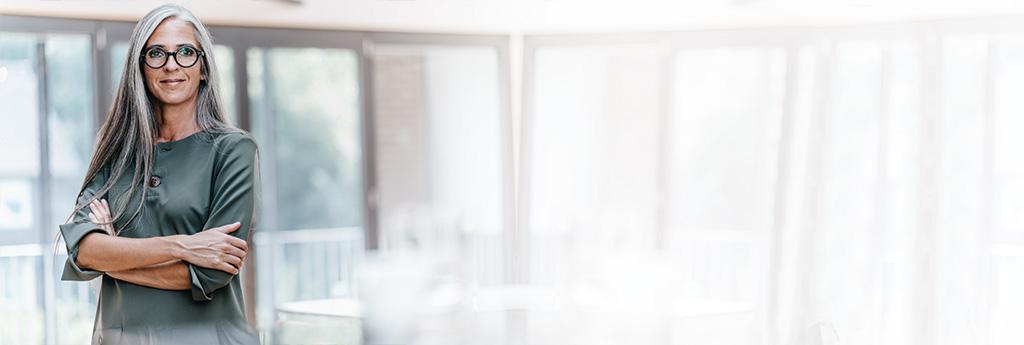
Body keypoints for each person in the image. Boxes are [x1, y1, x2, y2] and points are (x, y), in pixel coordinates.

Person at [58, 4, 260, 345]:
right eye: (156, 53)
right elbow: (83, 251)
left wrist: (114, 254)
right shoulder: (116, 149)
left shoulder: (233, 150)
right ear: (140, 66)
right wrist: (184, 246)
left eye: (186, 52)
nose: (171, 65)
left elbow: (210, 272)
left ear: (204, 67)